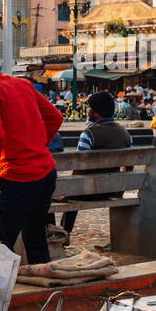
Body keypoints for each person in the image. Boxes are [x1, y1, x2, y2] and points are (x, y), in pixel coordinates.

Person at [0, 44, 63, 265]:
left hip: (19, 179)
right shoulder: (22, 84)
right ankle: (43, 291)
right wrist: (36, 146)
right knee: (36, 239)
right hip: (46, 174)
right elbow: (55, 117)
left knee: (0, 245)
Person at [58, 90, 132, 239]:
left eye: (89, 107)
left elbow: (79, 167)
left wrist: (67, 193)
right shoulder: (125, 133)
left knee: (72, 186)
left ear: (97, 113)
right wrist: (120, 190)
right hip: (112, 189)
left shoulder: (88, 134)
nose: (87, 110)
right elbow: (129, 165)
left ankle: (65, 232)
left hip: (87, 192)